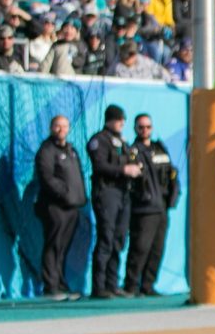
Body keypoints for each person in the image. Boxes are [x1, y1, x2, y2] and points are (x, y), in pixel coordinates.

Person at [87, 105, 142, 299]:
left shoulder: (123, 142)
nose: (122, 123)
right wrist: (123, 170)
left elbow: (129, 159)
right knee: (106, 238)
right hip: (107, 192)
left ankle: (112, 284)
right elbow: (100, 165)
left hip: (123, 193)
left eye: (123, 120)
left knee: (119, 239)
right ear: (109, 120)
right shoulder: (99, 140)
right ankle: (98, 286)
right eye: (119, 119)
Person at [122, 113, 178, 297]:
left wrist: (172, 198)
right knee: (140, 247)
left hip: (161, 206)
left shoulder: (159, 149)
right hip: (143, 208)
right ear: (135, 129)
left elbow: (171, 175)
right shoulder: (132, 151)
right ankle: (131, 285)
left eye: (148, 127)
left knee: (157, 248)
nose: (145, 130)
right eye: (141, 127)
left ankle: (148, 284)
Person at [35, 115, 87, 300]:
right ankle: (50, 286)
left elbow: (77, 176)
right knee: (53, 244)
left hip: (72, 206)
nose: (61, 129)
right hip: (55, 206)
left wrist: (79, 196)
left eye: (64, 126)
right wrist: (65, 193)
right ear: (51, 128)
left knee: (63, 247)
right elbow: (47, 178)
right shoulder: (46, 150)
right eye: (58, 126)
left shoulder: (71, 150)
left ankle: (61, 283)